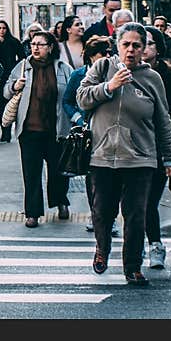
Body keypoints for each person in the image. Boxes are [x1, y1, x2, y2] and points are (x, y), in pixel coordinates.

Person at [77, 22, 171, 286]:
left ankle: (132, 266)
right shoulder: (102, 68)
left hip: (140, 157)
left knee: (136, 214)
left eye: (137, 45)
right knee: (102, 211)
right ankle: (102, 248)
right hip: (102, 155)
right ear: (117, 45)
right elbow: (82, 97)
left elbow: (163, 120)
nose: (131, 50)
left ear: (144, 48)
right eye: (126, 45)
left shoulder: (152, 78)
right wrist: (109, 86)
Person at [4, 31, 73, 228]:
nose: (35, 48)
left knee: (58, 171)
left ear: (50, 47)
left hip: (56, 130)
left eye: (40, 44)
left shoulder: (62, 68)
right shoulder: (23, 66)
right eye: (33, 44)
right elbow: (5, 90)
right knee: (31, 174)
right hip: (29, 130)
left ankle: (60, 201)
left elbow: (71, 94)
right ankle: (32, 213)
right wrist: (14, 86)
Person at [61, 35, 117, 236]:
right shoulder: (79, 75)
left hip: (111, 131)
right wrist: (78, 119)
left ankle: (109, 217)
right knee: (93, 177)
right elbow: (67, 101)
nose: (108, 57)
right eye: (103, 53)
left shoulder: (115, 74)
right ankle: (97, 215)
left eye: (110, 53)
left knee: (112, 175)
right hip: (89, 133)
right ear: (92, 57)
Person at [143, 26, 171, 269]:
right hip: (133, 146)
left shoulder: (167, 75)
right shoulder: (126, 73)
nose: (143, 48)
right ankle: (137, 244)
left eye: (149, 44)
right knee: (134, 201)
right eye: (141, 43)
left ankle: (155, 245)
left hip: (159, 145)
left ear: (158, 49)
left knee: (149, 201)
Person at [0, 19, 26, 142]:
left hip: (11, 76)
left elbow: (22, 58)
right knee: (1, 105)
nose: (2, 30)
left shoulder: (13, 42)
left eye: (4, 28)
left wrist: (15, 67)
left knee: (12, 102)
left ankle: (11, 129)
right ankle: (4, 130)